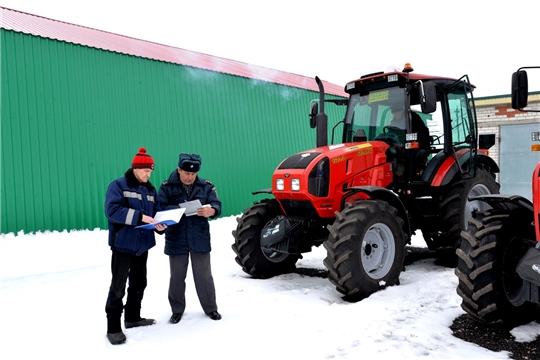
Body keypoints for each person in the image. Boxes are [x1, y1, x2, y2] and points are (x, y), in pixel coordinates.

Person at [104, 147, 167, 345]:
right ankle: (113, 327)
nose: (149, 174)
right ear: (135, 169)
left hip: (143, 244)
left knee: (139, 283)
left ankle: (132, 318)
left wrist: (160, 224)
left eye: (151, 171)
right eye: (146, 171)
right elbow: (112, 211)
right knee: (118, 286)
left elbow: (155, 212)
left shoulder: (150, 189)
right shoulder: (118, 185)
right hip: (123, 244)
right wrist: (140, 216)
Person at [158, 153, 222, 324]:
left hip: (199, 237)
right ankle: (177, 310)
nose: (189, 177)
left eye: (193, 174)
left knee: (204, 276)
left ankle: (211, 308)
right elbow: (160, 208)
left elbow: (216, 203)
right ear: (179, 170)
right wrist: (180, 209)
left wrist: (212, 211)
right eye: (186, 173)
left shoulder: (206, 186)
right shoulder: (166, 187)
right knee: (177, 277)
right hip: (176, 237)